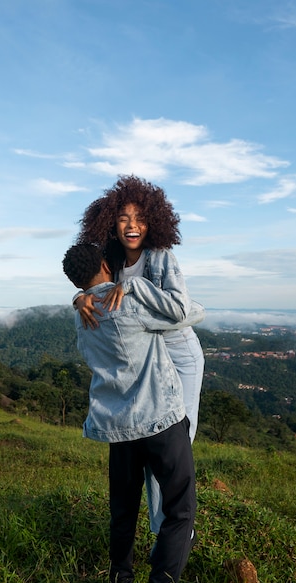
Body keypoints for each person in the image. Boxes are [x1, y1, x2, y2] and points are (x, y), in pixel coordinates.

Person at [62, 243, 204, 583]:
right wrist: (139, 287)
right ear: (108, 265)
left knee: (123, 512)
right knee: (180, 511)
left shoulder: (82, 315)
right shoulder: (130, 302)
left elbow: (89, 300)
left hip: (119, 427)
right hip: (160, 420)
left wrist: (80, 297)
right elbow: (191, 313)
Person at [74, 175, 205, 535]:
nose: (132, 226)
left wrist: (134, 285)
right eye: (123, 219)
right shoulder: (112, 260)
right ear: (110, 224)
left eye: (140, 218)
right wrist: (80, 297)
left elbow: (179, 309)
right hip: (147, 360)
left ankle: (174, 532)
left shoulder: (160, 257)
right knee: (149, 445)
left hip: (179, 355)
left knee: (174, 448)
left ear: (154, 221)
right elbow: (95, 288)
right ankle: (166, 530)